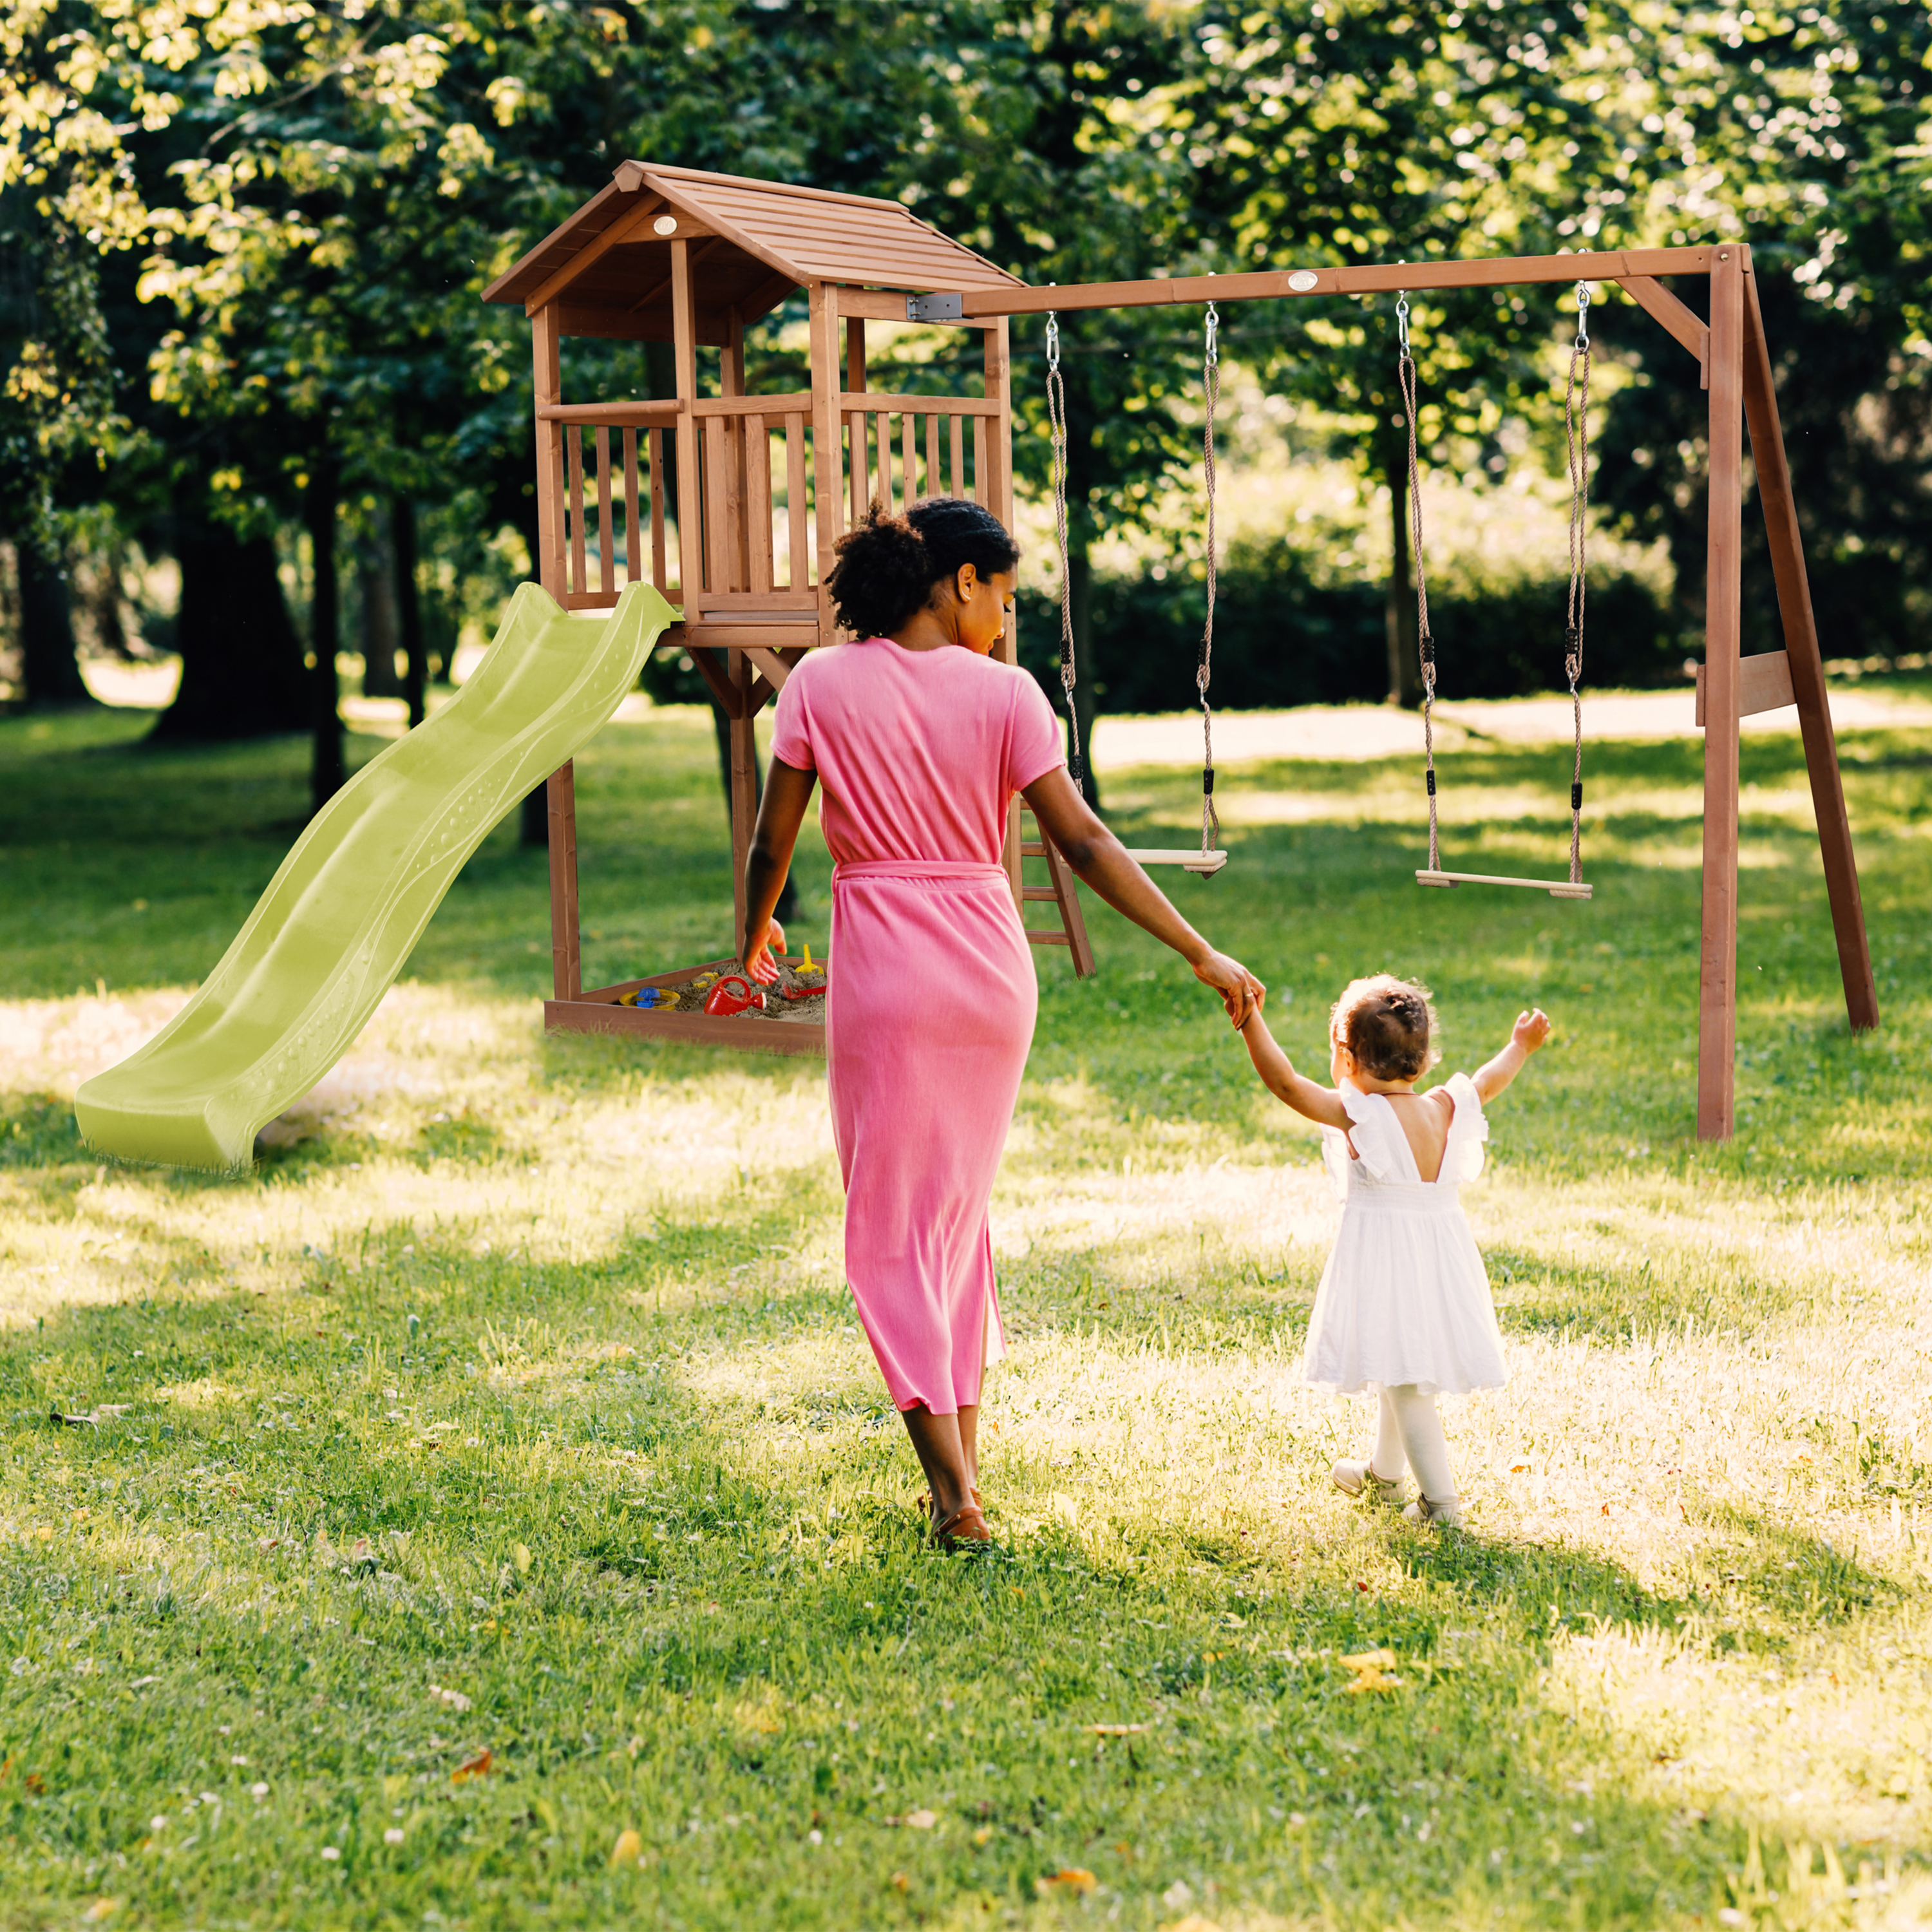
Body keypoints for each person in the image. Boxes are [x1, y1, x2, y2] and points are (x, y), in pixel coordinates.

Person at [740, 497, 1264, 1548]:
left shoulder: (819, 684)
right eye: (1007, 598)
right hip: (989, 971)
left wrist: (750, 937)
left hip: (886, 971)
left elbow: (772, 843)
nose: (1008, 622)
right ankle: (963, 1476)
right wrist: (1197, 948)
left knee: (890, 1232)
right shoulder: (1010, 696)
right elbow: (1083, 844)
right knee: (952, 1225)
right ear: (961, 582)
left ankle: (953, 1496)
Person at [1235, 974, 1551, 1527]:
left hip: (1389, 1263)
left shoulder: (1361, 1116)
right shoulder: (1444, 1107)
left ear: (1347, 1058)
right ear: (1424, 1061)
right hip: (1438, 1260)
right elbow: (1488, 1079)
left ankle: (1441, 1505)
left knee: (1406, 1384)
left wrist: (1249, 1019)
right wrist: (1519, 1046)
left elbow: (1285, 1084)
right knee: (1394, 1363)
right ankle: (1384, 1475)